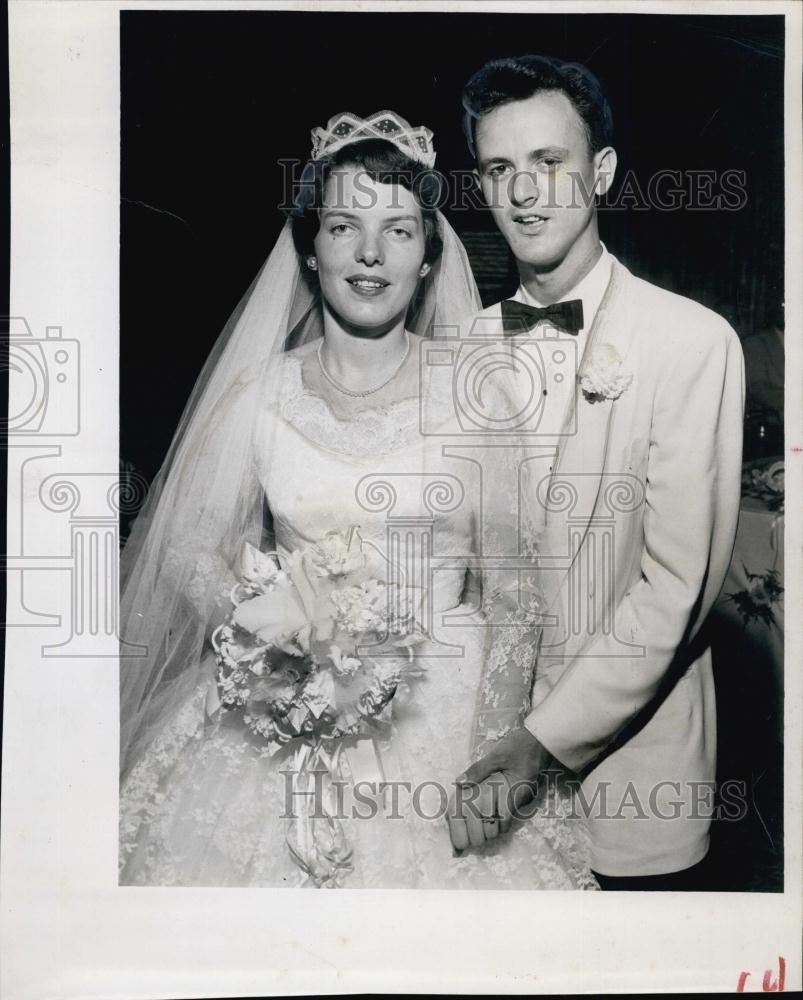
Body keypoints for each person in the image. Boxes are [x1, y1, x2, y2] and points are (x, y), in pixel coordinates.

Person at [119, 111, 597, 889]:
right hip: (273, 704)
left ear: (427, 257)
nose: (370, 254)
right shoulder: (257, 392)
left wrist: (494, 755)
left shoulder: (479, 393)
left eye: (399, 231)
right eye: (344, 226)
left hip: (444, 699)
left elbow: (513, 591)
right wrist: (276, 632)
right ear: (310, 249)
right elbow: (181, 544)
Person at [448, 56, 745, 890]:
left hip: (630, 787)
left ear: (601, 172)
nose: (524, 193)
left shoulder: (693, 342)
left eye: (549, 163)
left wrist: (536, 744)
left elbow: (674, 589)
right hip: (482, 770)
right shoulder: (466, 347)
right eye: (500, 169)